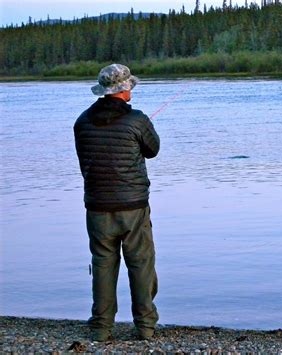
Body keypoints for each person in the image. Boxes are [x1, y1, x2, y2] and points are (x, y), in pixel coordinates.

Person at [74, 64, 160, 342]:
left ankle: (101, 327)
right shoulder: (137, 119)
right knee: (141, 264)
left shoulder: (82, 121)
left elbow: (84, 163)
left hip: (97, 204)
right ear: (124, 88)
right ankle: (145, 327)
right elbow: (153, 149)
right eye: (129, 85)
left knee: (102, 265)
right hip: (133, 205)